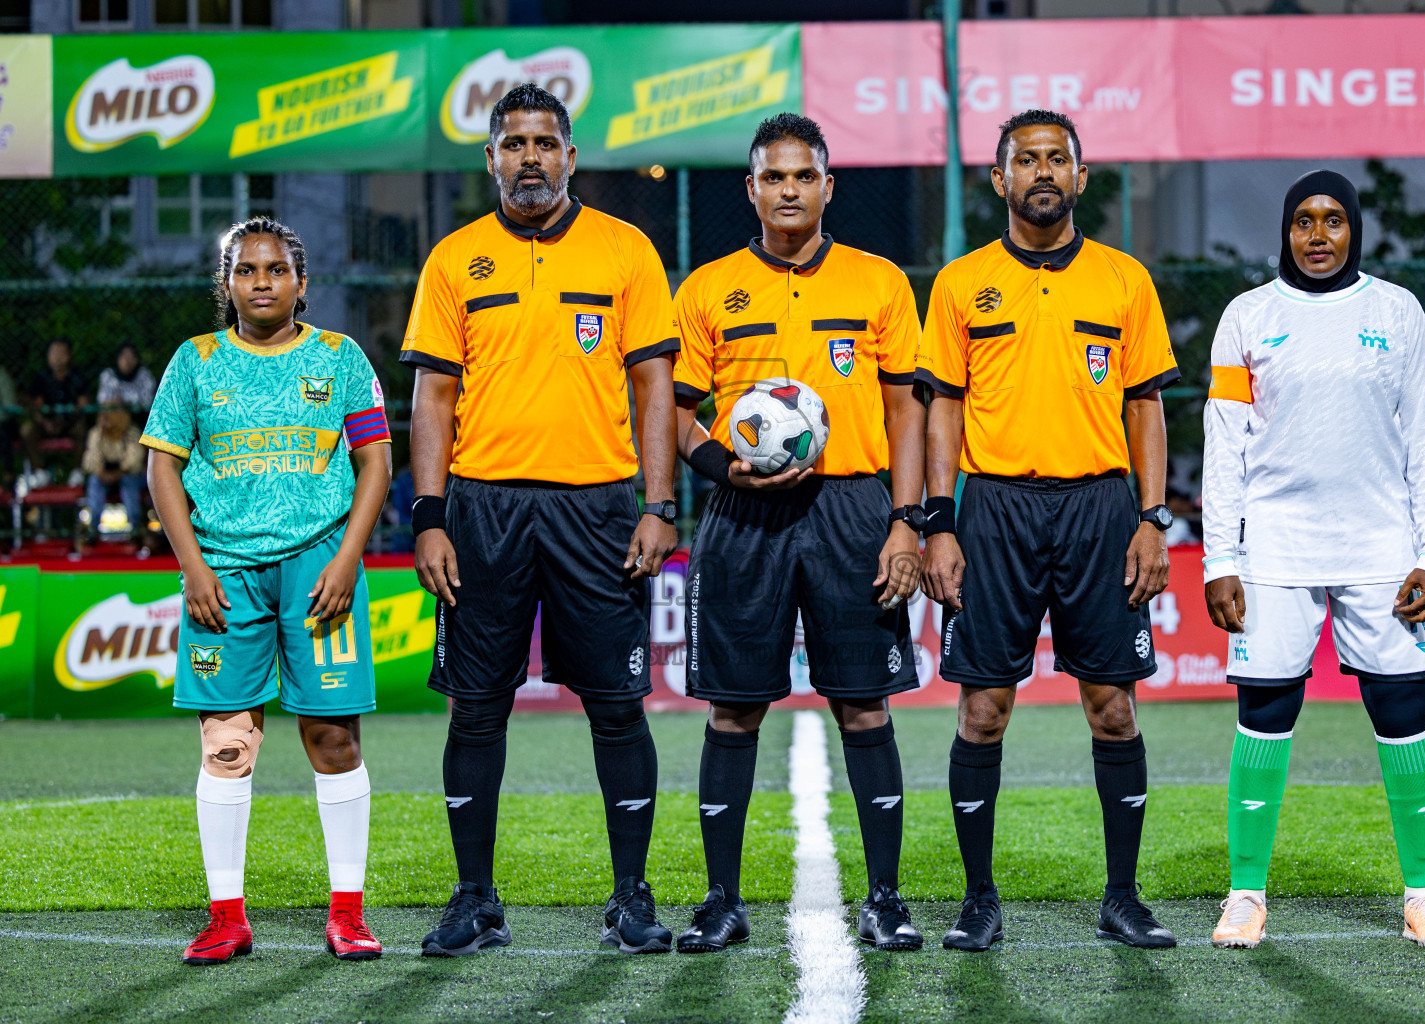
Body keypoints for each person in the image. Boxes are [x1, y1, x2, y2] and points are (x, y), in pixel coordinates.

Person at [401, 84, 680, 957]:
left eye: (545, 142)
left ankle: (631, 897)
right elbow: (433, 396)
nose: (529, 156)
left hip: (597, 508)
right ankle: (474, 898)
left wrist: (660, 505)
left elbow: (654, 389)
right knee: (476, 712)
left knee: (617, 707)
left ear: (569, 155)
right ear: (490, 158)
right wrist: (429, 516)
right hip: (482, 509)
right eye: (512, 142)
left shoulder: (626, 249)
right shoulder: (454, 260)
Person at [917, 110, 1181, 952]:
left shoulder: (1124, 280)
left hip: (1102, 511)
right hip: (993, 511)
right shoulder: (960, 283)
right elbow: (941, 411)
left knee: (1112, 709)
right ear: (998, 180)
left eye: (1056, 159)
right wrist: (941, 524)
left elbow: (1146, 404)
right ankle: (978, 899)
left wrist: (1151, 517)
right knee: (983, 710)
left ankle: (1123, 898)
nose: (1042, 171)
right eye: (1025, 160)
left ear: (1080, 175)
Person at [672, 113, 928, 954]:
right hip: (742, 514)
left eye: (803, 176)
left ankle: (885, 898)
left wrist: (905, 521)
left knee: (863, 704)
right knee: (734, 709)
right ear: (751, 189)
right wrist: (721, 469)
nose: (788, 190)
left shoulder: (879, 281)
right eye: (772, 177)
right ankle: (720, 901)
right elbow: (672, 412)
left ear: (827, 186)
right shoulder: (707, 288)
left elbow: (905, 410)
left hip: (853, 508)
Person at [1202, 170, 1425, 949]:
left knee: (1404, 716)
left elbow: (1424, 436)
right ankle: (1246, 896)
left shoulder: (1396, 311)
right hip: (1274, 550)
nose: (1319, 235)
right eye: (1305, 221)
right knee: (1265, 715)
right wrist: (1221, 557)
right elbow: (1225, 443)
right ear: (1285, 229)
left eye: (1334, 221)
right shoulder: (1248, 315)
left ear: (1356, 230)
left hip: (1382, 550)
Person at [142, 217, 393, 965]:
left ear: (301, 283)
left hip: (320, 568)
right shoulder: (194, 362)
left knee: (334, 738)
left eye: (276, 270)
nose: (261, 282)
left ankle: (346, 914)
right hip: (224, 572)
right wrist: (192, 567)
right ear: (227, 285)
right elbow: (162, 469)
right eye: (246, 270)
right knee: (226, 745)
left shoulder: (341, 358)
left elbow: (375, 460)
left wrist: (349, 557)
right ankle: (227, 917)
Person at [22, 338, 90, 479]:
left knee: (82, 429)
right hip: (46, 424)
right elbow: (36, 407)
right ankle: (39, 472)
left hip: (70, 423)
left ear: (69, 355)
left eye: (61, 352)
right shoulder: (41, 377)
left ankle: (78, 473)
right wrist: (45, 422)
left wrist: (65, 422)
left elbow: (83, 405)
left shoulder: (77, 377)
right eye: (54, 352)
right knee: (27, 430)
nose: (57, 357)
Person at [82, 402, 145, 542]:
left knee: (129, 482)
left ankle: (135, 527)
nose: (105, 418)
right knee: (94, 481)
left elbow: (134, 461)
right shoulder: (96, 432)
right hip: (105, 476)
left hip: (129, 475)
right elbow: (90, 461)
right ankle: (93, 528)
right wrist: (101, 472)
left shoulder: (131, 432)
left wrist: (118, 473)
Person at [97, 343, 158, 417]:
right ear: (118, 359)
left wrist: (123, 403)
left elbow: (147, 401)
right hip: (111, 419)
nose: (127, 361)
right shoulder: (108, 375)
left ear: (136, 360)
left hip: (138, 420)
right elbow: (102, 400)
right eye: (124, 357)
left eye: (131, 357)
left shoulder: (144, 375)